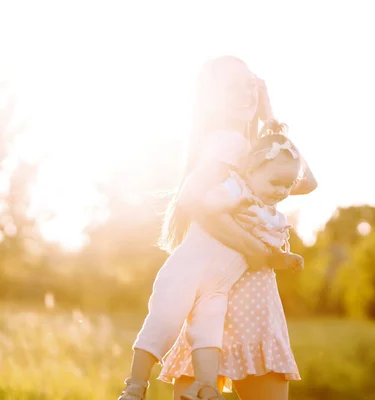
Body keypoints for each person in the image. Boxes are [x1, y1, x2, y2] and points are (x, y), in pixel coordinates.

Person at [118, 56, 308, 400]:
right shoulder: (230, 143)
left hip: (218, 296)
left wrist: (270, 120)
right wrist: (256, 250)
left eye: (250, 85)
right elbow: (193, 199)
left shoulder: (252, 152)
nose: (245, 93)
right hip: (243, 296)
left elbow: (305, 181)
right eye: (232, 87)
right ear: (212, 98)